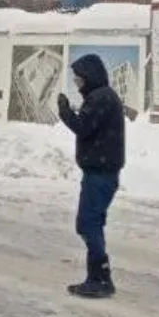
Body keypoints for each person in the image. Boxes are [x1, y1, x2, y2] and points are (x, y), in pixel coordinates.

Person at [57, 53, 126, 299]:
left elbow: (82, 127)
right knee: (90, 223)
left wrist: (65, 111)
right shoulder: (102, 97)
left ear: (90, 77)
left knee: (88, 223)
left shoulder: (100, 98)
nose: (77, 85)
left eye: (79, 80)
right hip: (100, 171)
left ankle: (100, 278)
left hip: (101, 173)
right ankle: (97, 276)